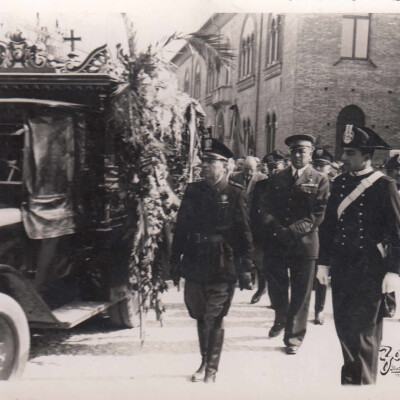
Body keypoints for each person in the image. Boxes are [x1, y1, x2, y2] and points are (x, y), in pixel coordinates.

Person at [316, 125, 400, 385]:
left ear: (366, 156)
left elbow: (397, 232)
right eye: (344, 152)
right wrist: (323, 263)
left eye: (350, 153)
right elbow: (329, 227)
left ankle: (362, 384)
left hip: (369, 268)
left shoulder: (385, 186)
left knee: (364, 332)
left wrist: (394, 271)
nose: (343, 158)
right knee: (344, 329)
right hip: (343, 267)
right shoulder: (339, 183)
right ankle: (352, 382)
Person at [170, 138, 254, 383]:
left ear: (225, 166)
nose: (204, 166)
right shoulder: (193, 191)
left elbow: (245, 234)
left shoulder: (235, 193)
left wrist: (246, 268)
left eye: (210, 162)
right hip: (196, 261)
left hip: (222, 264)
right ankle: (204, 360)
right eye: (203, 162)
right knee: (199, 313)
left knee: (214, 315)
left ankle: (211, 368)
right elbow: (181, 227)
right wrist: (175, 260)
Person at [258, 134, 330, 354]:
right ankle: (281, 315)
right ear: (290, 154)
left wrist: (291, 231)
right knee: (277, 287)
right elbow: (265, 207)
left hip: (304, 243)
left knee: (301, 292)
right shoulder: (277, 177)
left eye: (303, 151)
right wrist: (276, 228)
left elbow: (317, 214)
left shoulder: (319, 179)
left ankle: (294, 338)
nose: (298, 155)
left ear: (311, 153)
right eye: (295, 151)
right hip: (278, 241)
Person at [249, 150, 286, 305]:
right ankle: (261, 288)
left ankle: (277, 300)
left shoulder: (288, 184)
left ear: (284, 166)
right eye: (270, 168)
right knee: (261, 263)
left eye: (277, 167)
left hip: (282, 231)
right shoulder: (260, 185)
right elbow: (253, 209)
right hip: (262, 230)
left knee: (278, 267)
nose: (274, 171)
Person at [311, 147, 334, 325]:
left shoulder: (336, 185)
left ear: (329, 167)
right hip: (310, 233)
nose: (319, 169)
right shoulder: (307, 184)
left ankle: (319, 309)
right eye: (316, 165)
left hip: (327, 235)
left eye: (322, 166)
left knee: (322, 273)